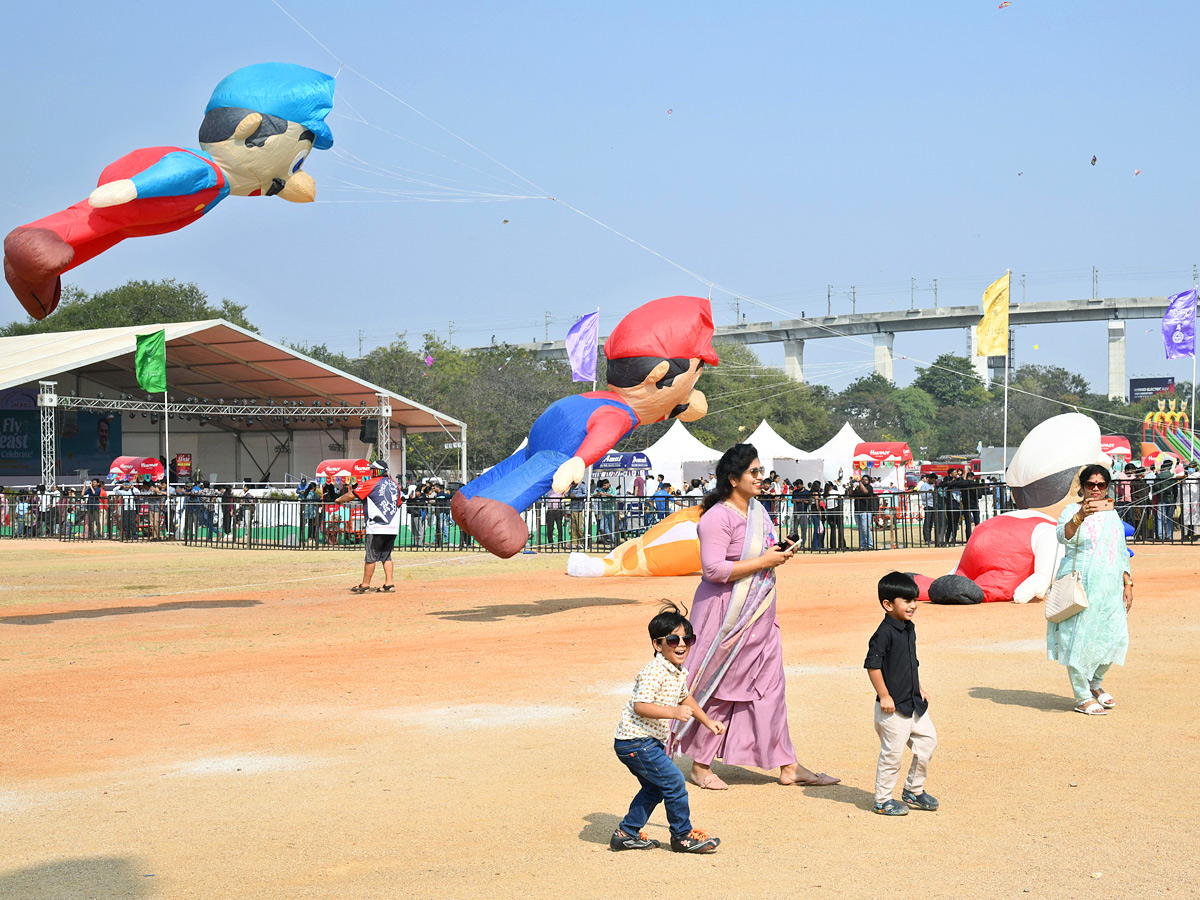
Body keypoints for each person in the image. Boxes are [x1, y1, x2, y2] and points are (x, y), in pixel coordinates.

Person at [673, 443, 839, 790]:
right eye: (754, 472)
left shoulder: (758, 511)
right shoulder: (717, 517)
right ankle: (701, 765)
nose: (761, 478)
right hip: (726, 617)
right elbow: (713, 570)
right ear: (733, 479)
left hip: (760, 614)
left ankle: (787, 764)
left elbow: (763, 552)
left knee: (770, 689)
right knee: (720, 685)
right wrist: (764, 562)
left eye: (761, 471)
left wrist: (778, 554)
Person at [611, 602, 723, 854]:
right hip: (636, 742)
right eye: (672, 640)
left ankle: (626, 833)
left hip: (645, 742)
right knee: (674, 783)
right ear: (657, 644)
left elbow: (686, 698)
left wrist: (707, 721)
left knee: (655, 787)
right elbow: (641, 705)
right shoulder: (654, 672)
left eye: (687, 639)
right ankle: (682, 836)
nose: (681, 645)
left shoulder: (676, 671)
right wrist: (672, 712)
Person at [1050, 464, 1132, 715]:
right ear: (1082, 487)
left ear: (1108, 487)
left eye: (1101, 485)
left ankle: (1095, 683)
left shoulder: (1111, 514)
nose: (1095, 489)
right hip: (1081, 583)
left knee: (1114, 635)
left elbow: (1120, 551)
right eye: (1090, 485)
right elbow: (1063, 536)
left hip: (1108, 586)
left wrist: (1128, 583)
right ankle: (1082, 695)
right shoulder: (1071, 510)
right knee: (1077, 639)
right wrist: (1080, 516)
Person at [864, 572, 938, 816]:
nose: (913, 605)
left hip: (913, 702)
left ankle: (913, 790)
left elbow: (910, 662)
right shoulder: (883, 633)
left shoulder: (908, 628)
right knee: (892, 756)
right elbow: (873, 666)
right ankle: (883, 801)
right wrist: (884, 695)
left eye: (914, 600)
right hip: (892, 709)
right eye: (906, 601)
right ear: (888, 604)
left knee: (927, 742)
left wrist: (918, 688)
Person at [337, 460, 400, 593]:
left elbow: (351, 495)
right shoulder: (395, 485)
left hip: (376, 526)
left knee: (371, 557)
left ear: (376, 471)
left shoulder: (371, 483)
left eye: (372, 469)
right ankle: (389, 584)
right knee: (386, 556)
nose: (371, 471)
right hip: (392, 527)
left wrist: (339, 499)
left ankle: (365, 585)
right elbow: (398, 503)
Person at [850, 473, 876, 549]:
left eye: (866, 480)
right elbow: (851, 495)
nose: (864, 481)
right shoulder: (858, 488)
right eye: (863, 479)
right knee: (860, 528)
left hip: (866, 510)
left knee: (865, 528)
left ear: (869, 481)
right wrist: (852, 486)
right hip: (857, 510)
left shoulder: (869, 487)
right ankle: (862, 545)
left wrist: (860, 482)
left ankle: (870, 545)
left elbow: (865, 492)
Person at [824, 481, 847, 550]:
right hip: (835, 510)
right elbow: (842, 492)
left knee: (832, 529)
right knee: (840, 528)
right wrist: (839, 485)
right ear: (831, 487)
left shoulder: (823, 494)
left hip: (828, 511)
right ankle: (842, 545)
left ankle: (833, 546)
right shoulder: (833, 492)